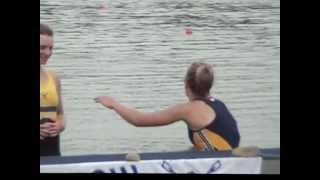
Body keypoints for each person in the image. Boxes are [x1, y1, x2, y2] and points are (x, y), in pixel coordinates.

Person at [95, 62, 240, 151]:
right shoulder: (219, 104)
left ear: (187, 85)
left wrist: (114, 104)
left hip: (219, 163)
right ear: (209, 85)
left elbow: (139, 120)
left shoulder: (189, 109)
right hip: (229, 159)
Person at [40, 23, 65, 156]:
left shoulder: (54, 78)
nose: (48, 53)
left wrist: (60, 125)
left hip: (52, 150)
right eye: (42, 47)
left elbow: (60, 114)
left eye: (50, 48)